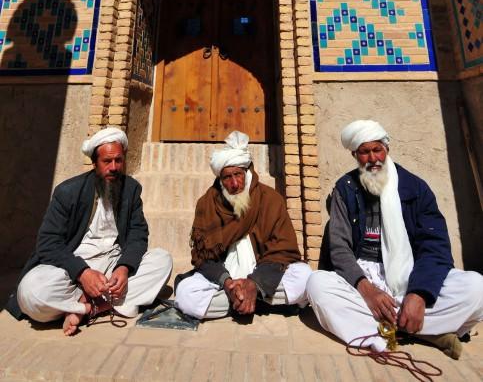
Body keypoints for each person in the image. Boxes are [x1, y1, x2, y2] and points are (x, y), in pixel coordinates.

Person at [307, 119, 483, 358]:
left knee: (476, 287)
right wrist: (367, 291)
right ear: (354, 155)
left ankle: (385, 327)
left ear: (387, 149)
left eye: (377, 149)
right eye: (364, 152)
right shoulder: (345, 189)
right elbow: (339, 249)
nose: (372, 158)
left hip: (410, 274)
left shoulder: (415, 188)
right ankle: (422, 330)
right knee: (317, 284)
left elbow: (435, 246)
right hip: (363, 277)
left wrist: (418, 294)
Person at [6, 127, 172, 335]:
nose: (114, 167)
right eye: (107, 161)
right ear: (94, 163)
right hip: (72, 264)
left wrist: (124, 267)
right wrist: (82, 273)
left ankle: (87, 308)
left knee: (162, 261)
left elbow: (138, 234)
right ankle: (95, 303)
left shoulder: (131, 189)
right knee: (30, 292)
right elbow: (47, 243)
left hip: (113, 262)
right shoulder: (68, 192)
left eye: (118, 160)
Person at [175, 131, 311, 319]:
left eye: (238, 174)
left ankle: (248, 297)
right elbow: (202, 257)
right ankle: (249, 300)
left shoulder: (270, 199)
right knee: (186, 294)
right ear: (220, 180)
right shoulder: (207, 204)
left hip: (263, 274)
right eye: (227, 177)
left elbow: (282, 251)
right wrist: (228, 283)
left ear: (247, 172)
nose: (234, 183)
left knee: (305, 277)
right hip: (224, 280)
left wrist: (255, 284)